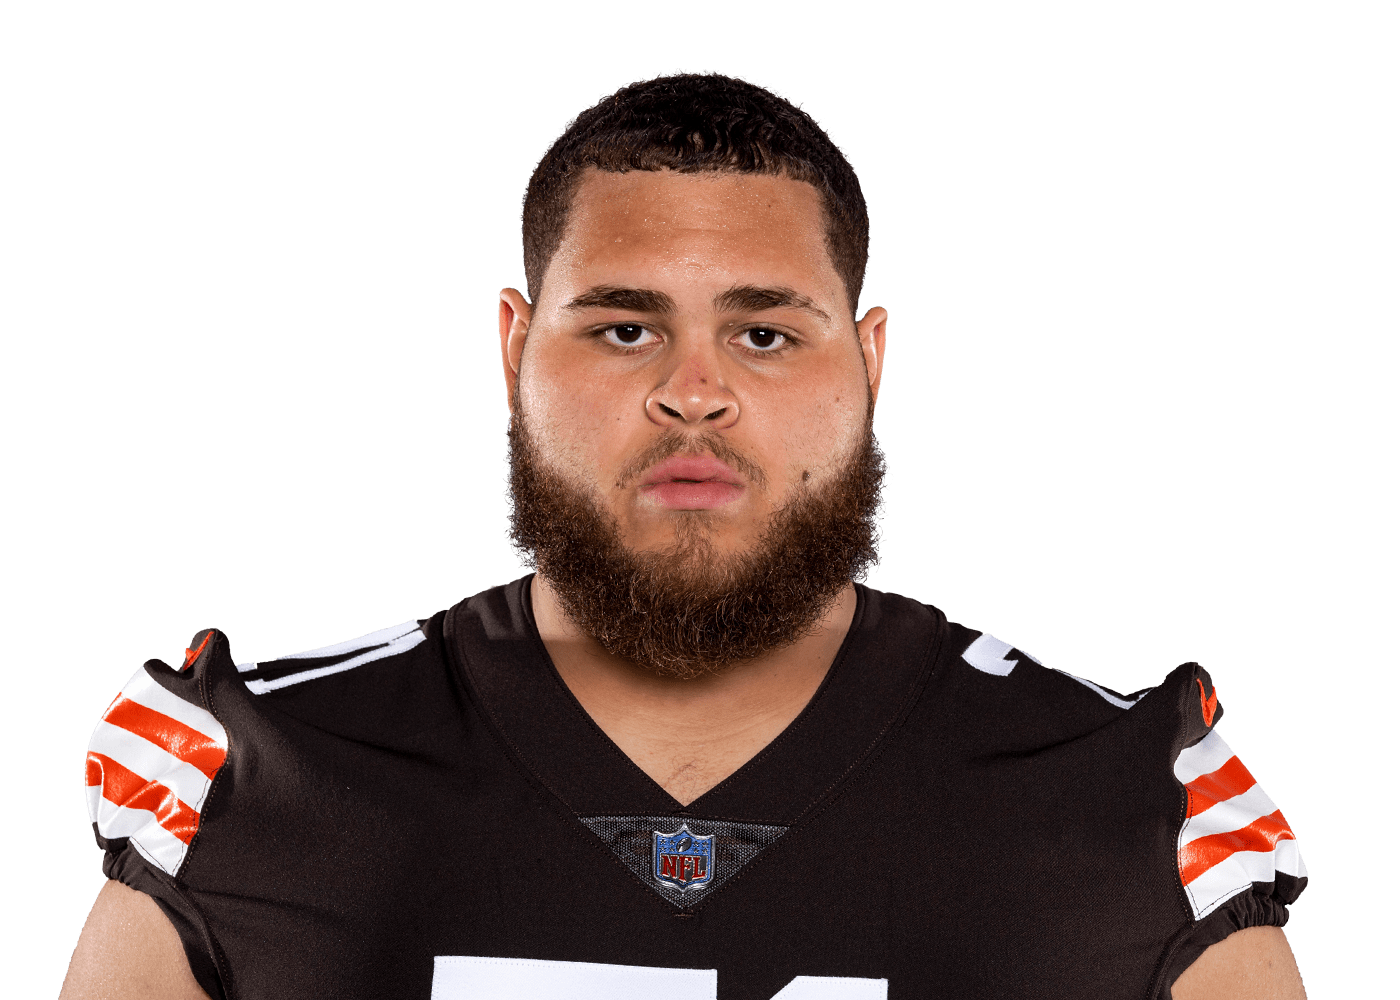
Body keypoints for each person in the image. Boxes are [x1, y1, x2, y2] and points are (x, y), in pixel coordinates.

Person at [61, 73, 1308, 1000]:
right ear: (514, 350)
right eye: (623, 329)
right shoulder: (252, 770)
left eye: (763, 333)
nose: (692, 392)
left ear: (866, 362)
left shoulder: (1125, 798)